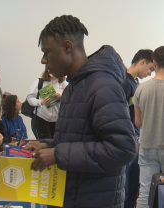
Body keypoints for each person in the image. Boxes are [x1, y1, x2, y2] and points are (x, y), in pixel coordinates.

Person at [25, 15, 136, 208]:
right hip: (73, 197)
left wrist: (58, 154)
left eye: (47, 52)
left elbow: (123, 148)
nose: (43, 60)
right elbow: (81, 138)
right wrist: (48, 145)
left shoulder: (102, 86)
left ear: (67, 47)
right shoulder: (74, 87)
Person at [122, 49, 154, 208]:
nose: (149, 73)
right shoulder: (124, 82)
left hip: (136, 142)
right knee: (125, 188)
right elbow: (121, 116)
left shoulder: (136, 84)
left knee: (134, 188)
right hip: (127, 142)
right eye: (150, 69)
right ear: (142, 62)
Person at [134, 46, 164, 208]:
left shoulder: (141, 88)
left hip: (147, 146)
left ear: (154, 62)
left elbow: (138, 123)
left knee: (145, 191)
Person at [26, 69, 67, 139]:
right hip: (41, 117)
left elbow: (71, 100)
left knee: (55, 145)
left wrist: (61, 98)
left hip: (57, 120)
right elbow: (30, 98)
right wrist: (41, 102)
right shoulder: (40, 82)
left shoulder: (64, 84)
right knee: (44, 144)